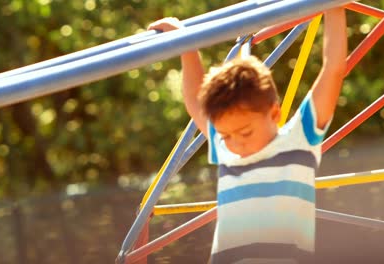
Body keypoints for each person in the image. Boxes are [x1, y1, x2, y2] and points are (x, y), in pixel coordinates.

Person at [148, 7, 346, 264]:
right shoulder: (226, 149)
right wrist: (186, 44)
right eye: (226, 135)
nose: (236, 143)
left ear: (274, 113)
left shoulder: (299, 139)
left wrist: (333, 8)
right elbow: (195, 102)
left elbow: (333, 69)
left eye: (245, 132)